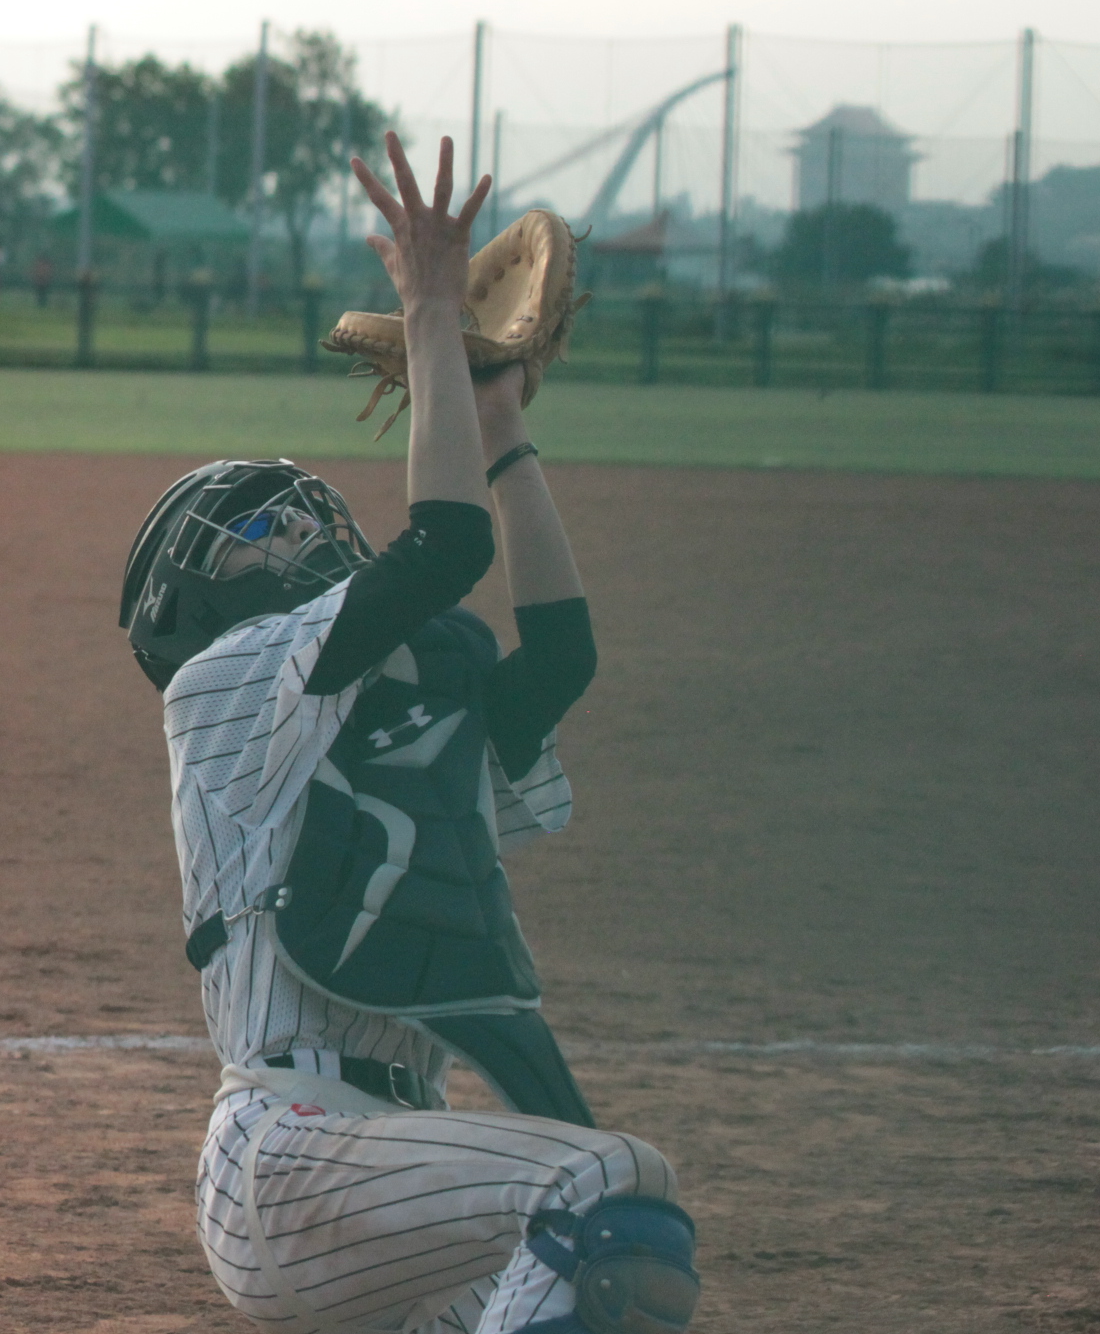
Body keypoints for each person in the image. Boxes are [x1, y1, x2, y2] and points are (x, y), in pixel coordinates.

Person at [119, 135, 701, 1334]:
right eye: (255, 534)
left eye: (296, 515)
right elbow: (443, 545)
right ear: (195, 597)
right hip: (287, 1153)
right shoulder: (227, 689)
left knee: (613, 1255)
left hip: (395, 1165)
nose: (293, 534)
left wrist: (502, 426)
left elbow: (560, 657)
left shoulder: (390, 711)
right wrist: (432, 309)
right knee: (610, 1183)